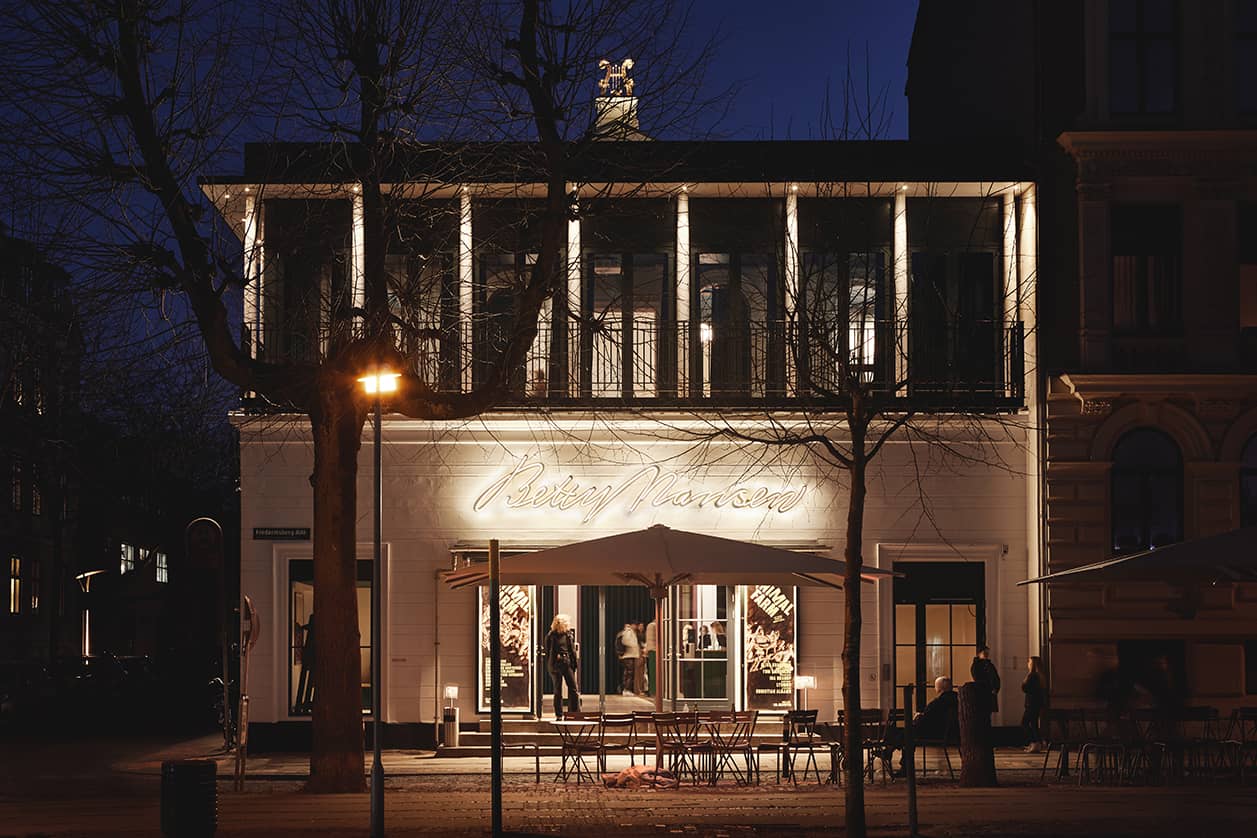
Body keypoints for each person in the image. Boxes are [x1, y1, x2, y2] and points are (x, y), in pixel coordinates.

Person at [886, 676, 958, 777]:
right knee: (909, 734)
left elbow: (927, 718)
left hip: (936, 733)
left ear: (939, 688)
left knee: (909, 734)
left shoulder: (939, 702)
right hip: (947, 732)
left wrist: (919, 717)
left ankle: (892, 751)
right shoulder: (956, 699)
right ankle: (892, 750)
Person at [544, 614, 580, 719]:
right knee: (557, 690)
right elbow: (548, 651)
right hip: (556, 665)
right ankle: (559, 714)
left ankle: (573, 713)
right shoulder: (551, 636)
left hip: (566, 663)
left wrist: (573, 664)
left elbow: (572, 650)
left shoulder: (568, 635)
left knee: (573, 688)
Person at [1021, 656, 1047, 752]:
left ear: (1032, 664)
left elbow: (1025, 688)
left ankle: (1035, 742)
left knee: (1024, 723)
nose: (1028, 663)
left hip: (1031, 704)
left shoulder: (1032, 676)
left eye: (1029, 662)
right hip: (1036, 704)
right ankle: (1038, 742)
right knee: (1034, 724)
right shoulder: (1040, 676)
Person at [971, 645, 1001, 714]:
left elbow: (995, 677)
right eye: (985, 653)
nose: (987, 655)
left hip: (990, 691)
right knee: (983, 712)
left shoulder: (989, 664)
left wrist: (996, 688)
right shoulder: (976, 665)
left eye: (987, 653)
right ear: (979, 654)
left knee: (988, 712)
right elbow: (977, 678)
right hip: (983, 692)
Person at [616, 622, 641, 695]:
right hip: (628, 655)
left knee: (627, 673)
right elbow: (626, 641)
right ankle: (626, 689)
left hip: (629, 655)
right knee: (629, 673)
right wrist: (634, 645)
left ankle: (625, 689)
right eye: (635, 625)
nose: (636, 626)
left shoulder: (629, 632)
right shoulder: (628, 631)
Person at [632, 622, 647, 695]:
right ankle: (637, 690)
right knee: (638, 673)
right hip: (638, 654)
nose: (641, 627)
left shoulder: (644, 634)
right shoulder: (636, 635)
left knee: (642, 673)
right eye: (640, 626)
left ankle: (641, 689)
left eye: (642, 626)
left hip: (643, 654)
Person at [644, 619, 657, 697]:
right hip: (654, 650)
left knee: (651, 672)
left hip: (651, 650)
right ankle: (653, 691)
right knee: (653, 672)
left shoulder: (650, 625)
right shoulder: (653, 626)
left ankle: (652, 690)